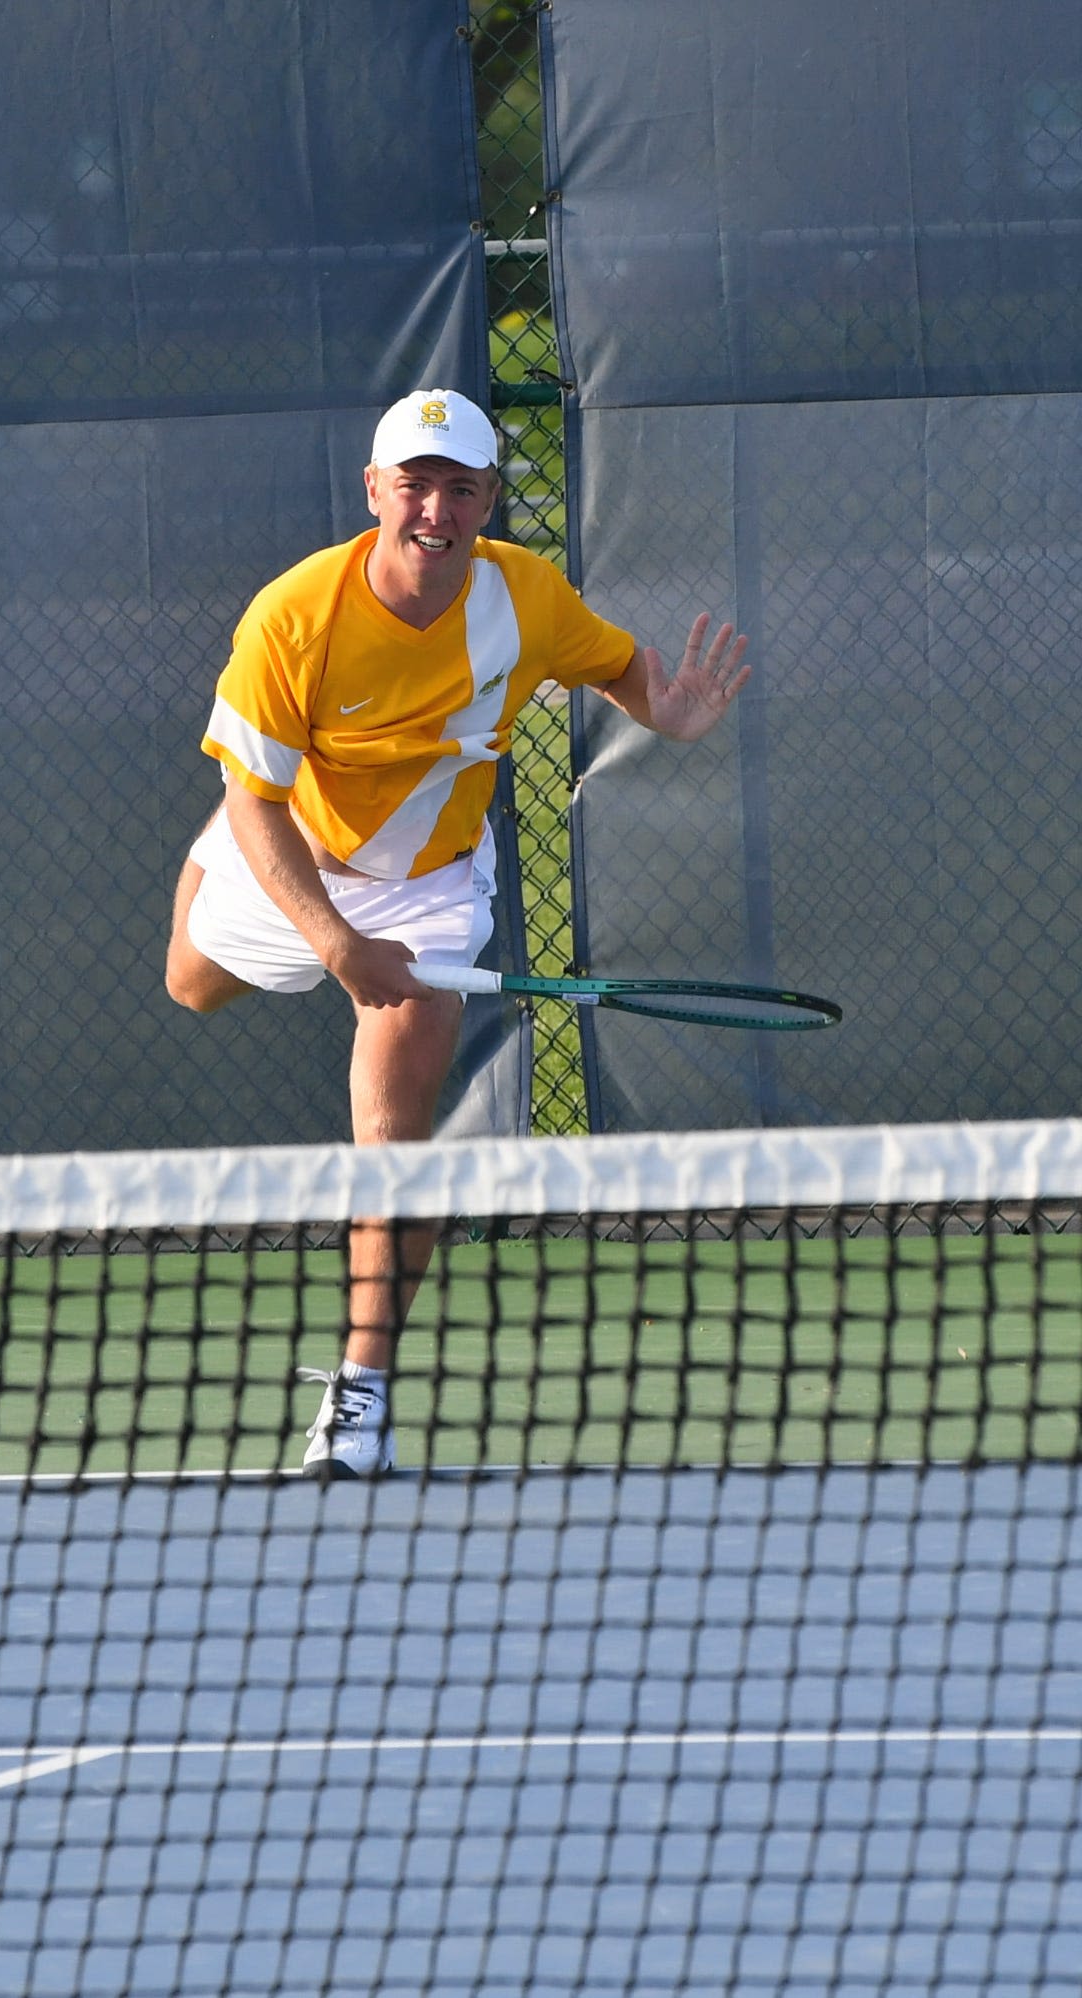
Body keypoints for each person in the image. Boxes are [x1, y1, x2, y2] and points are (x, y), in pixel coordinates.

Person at [163, 388, 751, 1480]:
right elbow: (255, 809)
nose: (436, 508)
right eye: (415, 483)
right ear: (376, 491)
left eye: (461, 487)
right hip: (291, 847)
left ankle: (361, 1395)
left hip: (430, 890)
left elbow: (614, 661)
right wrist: (334, 941)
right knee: (189, 980)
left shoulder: (524, 598)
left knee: (392, 1147)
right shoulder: (292, 616)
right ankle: (272, 824)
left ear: (486, 500)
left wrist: (659, 712)